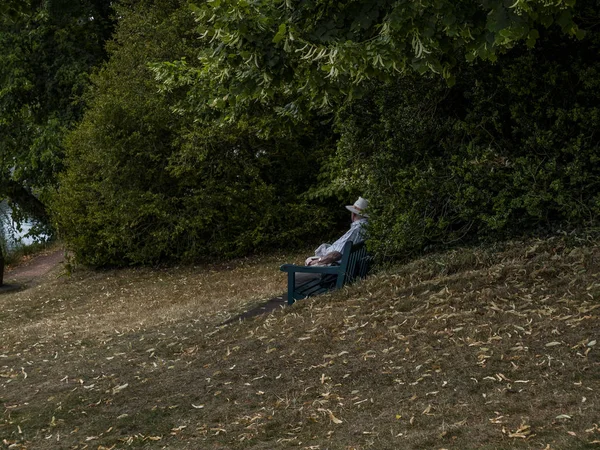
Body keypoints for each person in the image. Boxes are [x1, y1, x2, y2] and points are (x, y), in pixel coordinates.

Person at [305, 196, 369, 267]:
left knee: (298, 272)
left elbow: (336, 255)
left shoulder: (356, 230)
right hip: (344, 265)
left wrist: (318, 261)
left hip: (333, 268)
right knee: (309, 260)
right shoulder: (366, 227)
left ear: (353, 214)